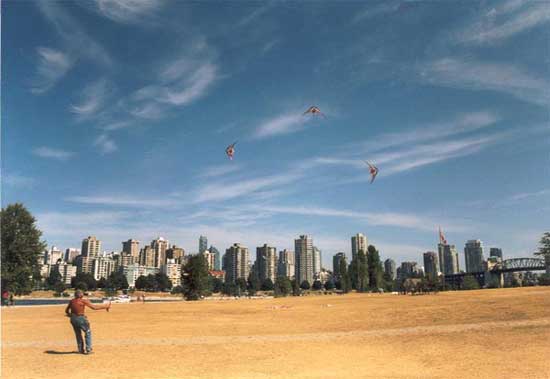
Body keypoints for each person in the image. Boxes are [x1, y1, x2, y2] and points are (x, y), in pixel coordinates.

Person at [65, 290, 110, 354]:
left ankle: (80, 349)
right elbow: (94, 307)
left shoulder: (72, 301)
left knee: (78, 334)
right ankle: (88, 349)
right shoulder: (83, 301)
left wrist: (71, 316)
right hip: (80, 318)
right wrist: (105, 306)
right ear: (80, 295)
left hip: (73, 319)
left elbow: (66, 311)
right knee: (87, 332)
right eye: (82, 294)